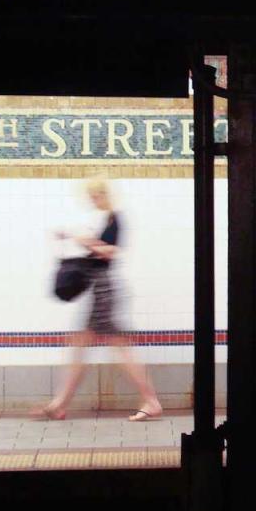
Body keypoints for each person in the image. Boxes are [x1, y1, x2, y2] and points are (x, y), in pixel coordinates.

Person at [34, 177, 163, 422]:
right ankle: (60, 404)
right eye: (91, 197)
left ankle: (151, 400)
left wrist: (86, 241)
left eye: (95, 196)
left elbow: (111, 252)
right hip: (100, 289)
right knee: (84, 343)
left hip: (104, 289)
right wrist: (75, 237)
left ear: (104, 195)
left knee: (114, 346)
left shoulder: (116, 218)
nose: (93, 201)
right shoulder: (106, 219)